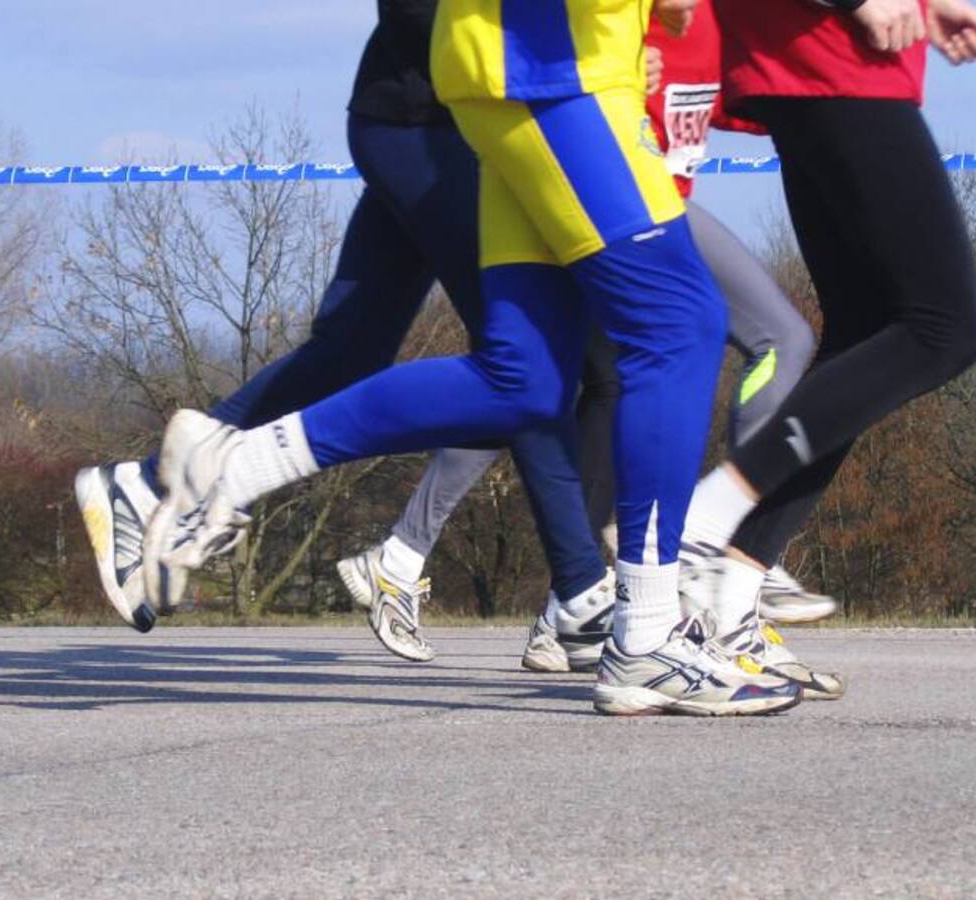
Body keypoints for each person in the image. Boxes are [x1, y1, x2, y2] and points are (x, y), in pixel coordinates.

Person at [141, 0, 801, 716]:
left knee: (523, 379)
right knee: (679, 324)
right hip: (546, 68)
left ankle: (225, 468)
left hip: (531, 70)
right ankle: (644, 633)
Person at [75, 0, 615, 660]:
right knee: (528, 366)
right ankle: (583, 592)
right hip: (430, 126)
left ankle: (147, 483)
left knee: (354, 348)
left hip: (440, 123)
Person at [351, 2, 834, 678]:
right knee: (773, 337)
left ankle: (507, 588)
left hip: (631, 218)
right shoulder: (634, 21)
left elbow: (752, 102)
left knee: (549, 380)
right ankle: (726, 543)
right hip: (619, 213)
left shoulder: (714, 28)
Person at [679, 0, 976, 658]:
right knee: (944, 329)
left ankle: (732, 599)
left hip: (821, 61)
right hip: (831, 57)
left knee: (864, 333)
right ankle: (708, 513)